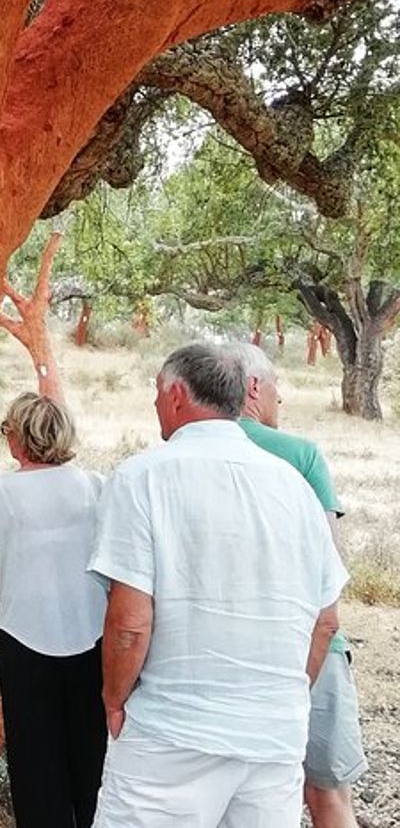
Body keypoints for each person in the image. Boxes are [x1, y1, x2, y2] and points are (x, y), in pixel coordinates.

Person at [89, 342, 348, 827]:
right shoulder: (293, 487)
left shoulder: (141, 477)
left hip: (173, 731)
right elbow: (326, 620)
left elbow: (129, 622)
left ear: (176, 394)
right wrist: (283, 697)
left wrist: (113, 698)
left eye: (155, 393)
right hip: (273, 736)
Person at [230, 342, 367, 827]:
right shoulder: (301, 454)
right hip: (309, 643)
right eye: (276, 386)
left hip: (228, 654)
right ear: (252, 387)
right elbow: (330, 561)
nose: (280, 399)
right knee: (327, 796)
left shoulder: (182, 451)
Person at [0, 392, 107, 827]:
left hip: (23, 638)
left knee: (35, 761)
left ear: (18, 439)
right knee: (91, 754)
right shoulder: (95, 485)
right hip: (90, 635)